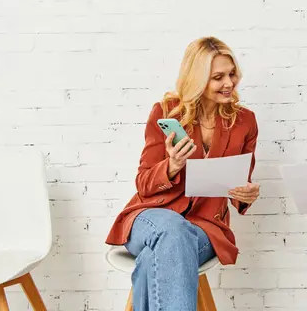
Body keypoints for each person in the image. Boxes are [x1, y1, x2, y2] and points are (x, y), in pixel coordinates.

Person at [106, 37, 260, 311]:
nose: (229, 83)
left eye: (232, 74)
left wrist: (246, 194)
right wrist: (172, 165)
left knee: (156, 256)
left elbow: (239, 183)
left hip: (204, 226)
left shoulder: (244, 121)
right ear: (198, 79)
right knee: (172, 230)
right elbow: (144, 183)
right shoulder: (166, 113)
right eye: (218, 77)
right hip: (150, 217)